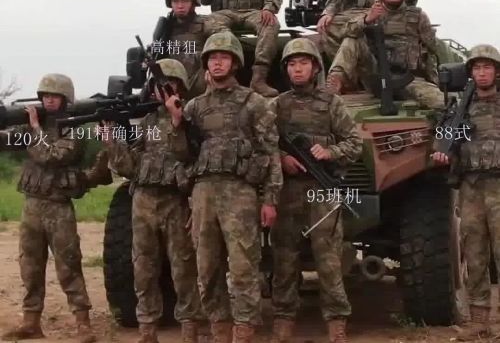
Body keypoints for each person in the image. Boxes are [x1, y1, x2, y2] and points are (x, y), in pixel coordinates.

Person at [173, 31, 282, 343]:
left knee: (244, 266)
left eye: (224, 57)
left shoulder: (254, 103)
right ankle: (219, 329)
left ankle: (244, 331)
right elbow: (182, 156)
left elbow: (270, 152)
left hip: (239, 193)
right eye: (212, 58)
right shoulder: (193, 108)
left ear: (235, 63)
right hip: (203, 193)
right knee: (206, 268)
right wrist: (177, 125)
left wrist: (270, 199)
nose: (217, 62)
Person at [0, 73, 111, 343]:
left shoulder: (73, 129)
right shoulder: (30, 127)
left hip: (58, 207)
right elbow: (6, 142)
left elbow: (52, 156)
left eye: (54, 96)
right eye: (45, 96)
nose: (49, 100)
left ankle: (83, 324)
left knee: (68, 264)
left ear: (65, 99)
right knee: (30, 265)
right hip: (32, 205)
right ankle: (31, 322)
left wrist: (35, 129)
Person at [102, 59, 203, 343]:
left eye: (170, 85)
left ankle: (190, 331)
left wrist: (177, 121)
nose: (163, 90)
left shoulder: (192, 119)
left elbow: (193, 158)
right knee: (144, 268)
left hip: (175, 200)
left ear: (181, 88)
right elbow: (130, 166)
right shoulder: (148, 123)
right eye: (158, 85)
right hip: (144, 201)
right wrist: (111, 141)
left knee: (183, 269)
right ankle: (147, 330)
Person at [269, 38, 362, 343]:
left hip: (322, 191)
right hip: (288, 192)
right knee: (284, 259)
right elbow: (262, 144)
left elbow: (354, 143)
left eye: (304, 63)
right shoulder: (277, 105)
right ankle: (283, 320)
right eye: (292, 64)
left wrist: (330, 152)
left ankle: (336, 323)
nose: (298, 69)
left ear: (315, 68)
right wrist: (281, 159)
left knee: (329, 260)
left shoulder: (332, 104)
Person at [431, 44, 500, 341]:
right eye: (477, 68)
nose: (482, 73)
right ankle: (479, 321)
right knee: (474, 253)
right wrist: (443, 153)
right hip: (471, 188)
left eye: (487, 67)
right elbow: (447, 143)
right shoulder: (461, 110)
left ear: (496, 72)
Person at [326, 0, 442, 110]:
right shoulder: (370, 14)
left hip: (410, 80)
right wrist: (367, 20)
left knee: (441, 102)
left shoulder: (418, 16)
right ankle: (335, 81)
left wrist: (435, 82)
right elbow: (343, 32)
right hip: (376, 77)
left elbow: (432, 50)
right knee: (352, 39)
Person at [153, 0, 210, 99]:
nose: (180, 5)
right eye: (176, 1)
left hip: (202, 93)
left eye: (185, 1)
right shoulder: (165, 31)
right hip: (173, 95)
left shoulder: (206, 23)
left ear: (193, 3)